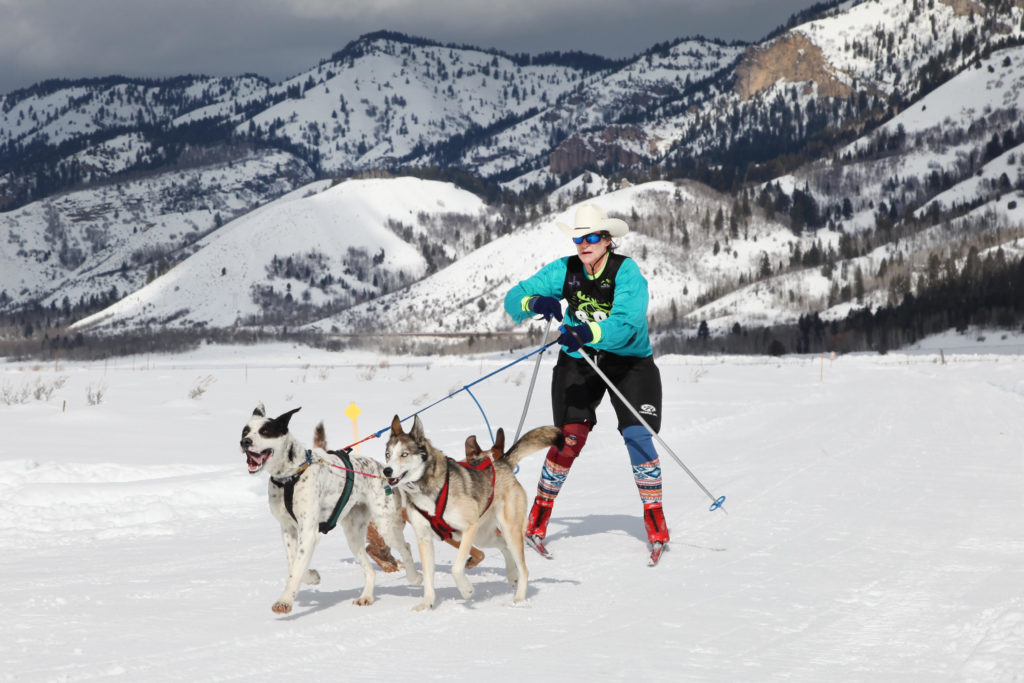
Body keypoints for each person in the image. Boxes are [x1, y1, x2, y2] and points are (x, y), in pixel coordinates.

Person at [503, 203, 669, 558]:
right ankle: (537, 519)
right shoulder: (565, 270)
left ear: (608, 240)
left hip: (629, 362)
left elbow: (627, 323)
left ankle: (655, 520)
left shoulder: (626, 273)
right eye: (579, 238)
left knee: (638, 435)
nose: (584, 244)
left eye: (592, 237)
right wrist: (536, 302)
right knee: (568, 438)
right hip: (579, 361)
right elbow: (513, 298)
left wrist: (587, 331)